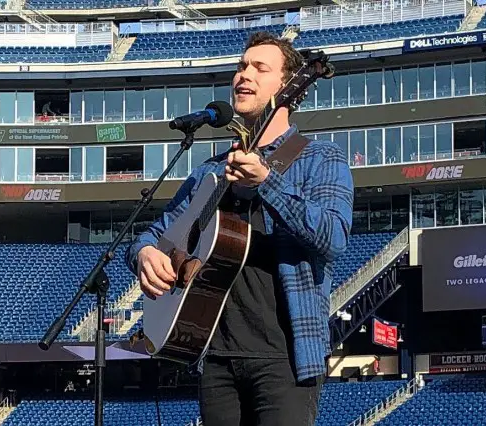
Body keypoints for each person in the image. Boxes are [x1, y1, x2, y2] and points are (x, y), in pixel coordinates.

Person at [126, 31, 354, 426]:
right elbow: (153, 235)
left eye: (259, 68)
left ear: (288, 87)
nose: (242, 75)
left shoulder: (319, 158)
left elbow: (332, 238)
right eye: (241, 66)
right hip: (213, 355)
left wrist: (267, 180)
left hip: (283, 357)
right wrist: (144, 254)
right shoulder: (210, 171)